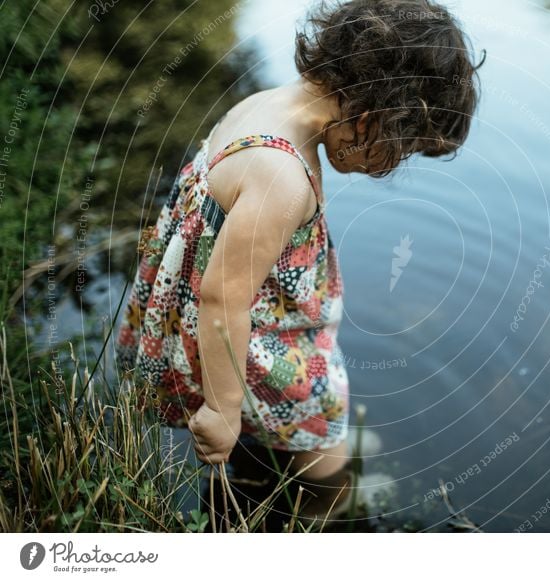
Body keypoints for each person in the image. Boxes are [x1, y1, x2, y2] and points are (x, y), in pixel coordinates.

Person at [114, 0, 482, 502]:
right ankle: (331, 500)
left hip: (245, 331)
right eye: (402, 148)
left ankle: (261, 448)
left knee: (269, 428)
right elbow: (224, 299)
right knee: (323, 427)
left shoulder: (264, 105)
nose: (395, 163)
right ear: (372, 119)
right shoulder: (280, 177)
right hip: (264, 348)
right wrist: (221, 408)